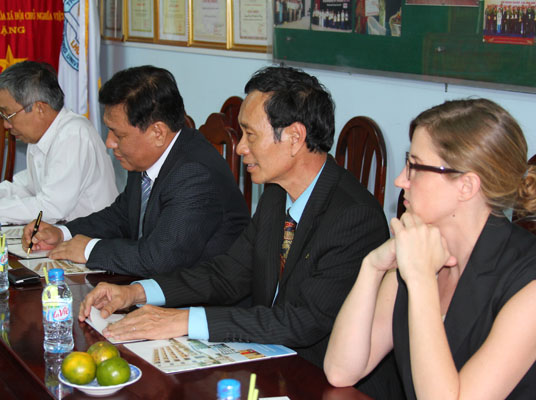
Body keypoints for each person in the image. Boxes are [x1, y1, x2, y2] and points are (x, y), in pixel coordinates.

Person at [77, 66, 389, 367]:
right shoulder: (276, 195)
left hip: (317, 373)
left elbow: (301, 321)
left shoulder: (354, 218)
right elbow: (227, 273)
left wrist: (184, 320)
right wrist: (137, 291)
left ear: (294, 137)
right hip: (269, 356)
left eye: (250, 135)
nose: (239, 148)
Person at [324, 98, 536, 399]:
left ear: (466, 186)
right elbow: (341, 370)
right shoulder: (418, 247)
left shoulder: (527, 284)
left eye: (414, 166)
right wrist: (372, 267)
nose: (400, 180)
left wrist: (422, 280)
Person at [22, 65, 250, 276]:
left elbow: (160, 259)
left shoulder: (195, 175)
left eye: (118, 135)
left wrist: (90, 249)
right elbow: (122, 216)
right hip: (154, 287)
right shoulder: (144, 157)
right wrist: (62, 233)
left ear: (158, 133)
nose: (109, 143)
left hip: (201, 300)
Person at [0, 60, 118, 225]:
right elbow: (27, 187)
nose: (6, 125)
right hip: (63, 234)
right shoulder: (42, 134)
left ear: (39, 108)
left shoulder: (73, 135)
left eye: (9, 115)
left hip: (92, 240)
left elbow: (50, 208)